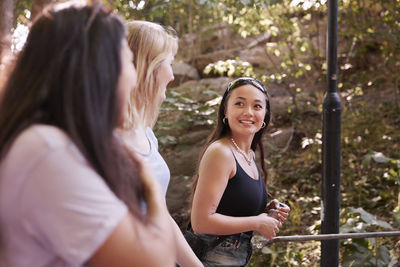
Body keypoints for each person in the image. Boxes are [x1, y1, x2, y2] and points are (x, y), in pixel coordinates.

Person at [0, 2, 177, 266]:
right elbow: (154, 260)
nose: (133, 78)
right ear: (100, 70)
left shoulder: (55, 141)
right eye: (128, 62)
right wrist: (148, 182)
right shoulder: (49, 149)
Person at [120, 20, 203, 267]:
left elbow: (161, 218)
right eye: (169, 62)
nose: (172, 74)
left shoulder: (146, 134)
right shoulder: (104, 139)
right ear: (148, 66)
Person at [189, 77, 291, 266]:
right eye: (239, 103)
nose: (248, 112)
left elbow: (232, 209)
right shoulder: (221, 152)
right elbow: (201, 222)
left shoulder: (248, 154)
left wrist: (267, 212)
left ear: (265, 116)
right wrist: (256, 223)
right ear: (225, 112)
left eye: (257, 106)